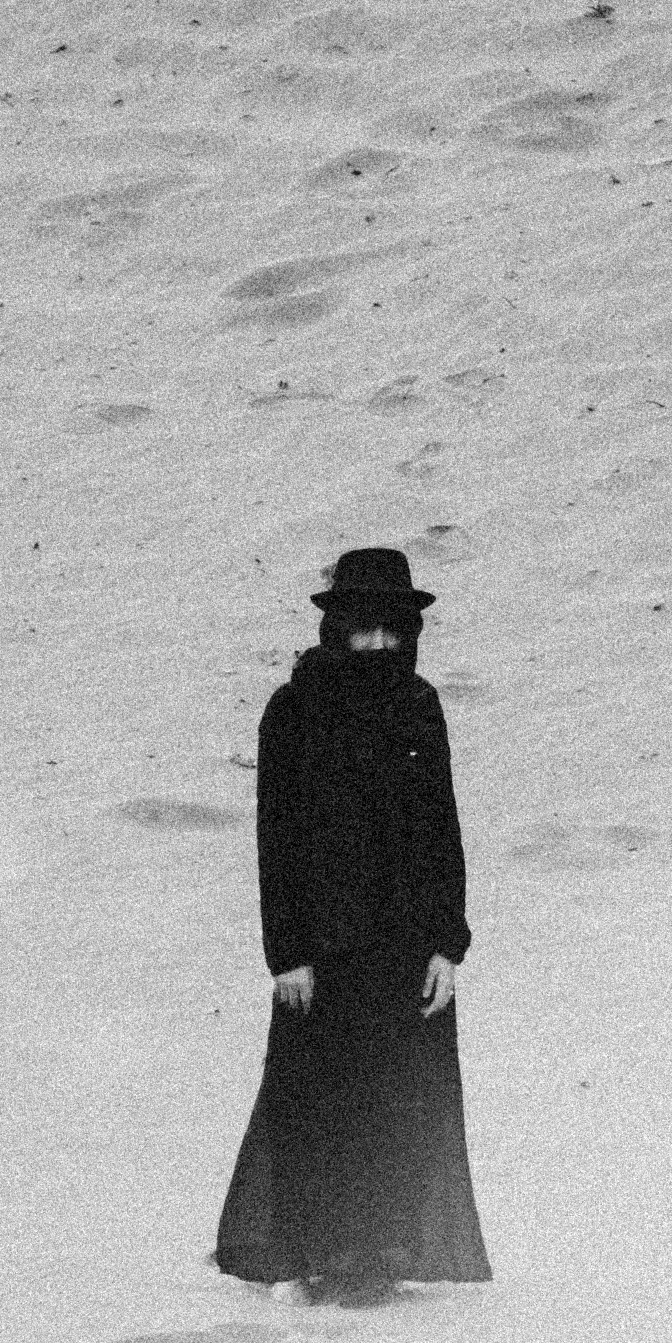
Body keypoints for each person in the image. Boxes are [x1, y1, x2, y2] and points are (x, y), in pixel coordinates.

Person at [211, 547, 492, 1302]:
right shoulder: (294, 709)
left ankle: (379, 1254)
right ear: (336, 628)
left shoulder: (419, 704)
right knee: (318, 1100)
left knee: (399, 1101)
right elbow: (277, 837)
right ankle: (316, 1254)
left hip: (405, 947)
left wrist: (447, 943)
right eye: (362, 630)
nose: (376, 646)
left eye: (391, 632)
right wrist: (287, 953)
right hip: (324, 949)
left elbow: (443, 828)